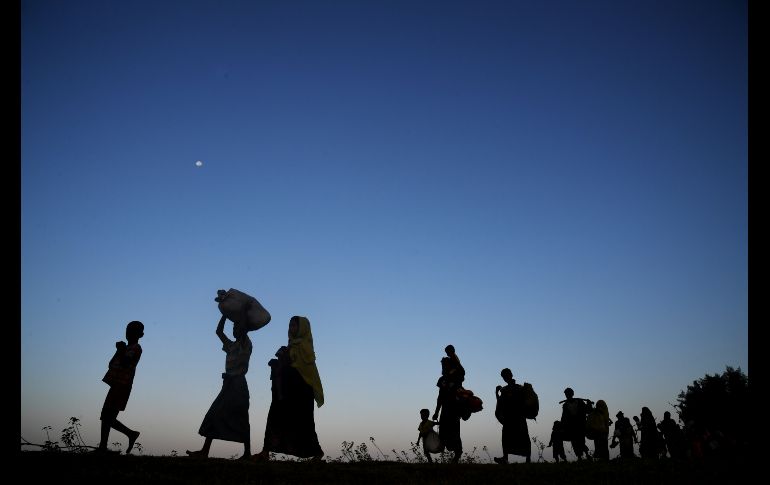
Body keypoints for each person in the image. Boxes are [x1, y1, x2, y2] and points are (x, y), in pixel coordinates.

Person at [253, 316, 324, 461]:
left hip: (302, 392)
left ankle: (317, 453)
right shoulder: (290, 346)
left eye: (294, 325)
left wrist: (285, 361)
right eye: (290, 325)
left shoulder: (305, 347)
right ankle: (265, 451)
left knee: (304, 423)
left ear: (302, 328)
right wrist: (280, 362)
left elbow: (304, 370)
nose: (291, 328)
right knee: (275, 417)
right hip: (286, 391)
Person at [187, 311, 253, 460]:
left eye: (238, 328)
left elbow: (243, 329)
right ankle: (204, 451)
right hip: (228, 385)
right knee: (215, 414)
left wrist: (243, 311)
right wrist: (225, 314)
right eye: (234, 328)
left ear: (244, 330)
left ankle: (247, 453)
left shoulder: (245, 344)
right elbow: (219, 331)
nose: (235, 330)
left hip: (238, 385)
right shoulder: (231, 345)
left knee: (241, 417)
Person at [96, 320, 144, 454]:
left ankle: (105, 446)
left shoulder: (136, 348)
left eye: (133, 331)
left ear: (140, 335)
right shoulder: (125, 349)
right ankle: (127, 435)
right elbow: (111, 364)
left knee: (107, 416)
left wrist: (121, 350)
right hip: (116, 385)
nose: (129, 333)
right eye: (128, 330)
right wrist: (119, 351)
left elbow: (125, 363)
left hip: (122, 386)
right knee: (106, 416)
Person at [493, 368, 531, 464]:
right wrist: (497, 394)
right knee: (507, 437)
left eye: (506, 376)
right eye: (504, 376)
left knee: (522, 436)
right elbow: (501, 403)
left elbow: (522, 401)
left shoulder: (518, 388)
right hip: (510, 417)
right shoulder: (506, 390)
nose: (505, 378)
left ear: (510, 375)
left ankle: (527, 459)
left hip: (517, 416)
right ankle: (505, 458)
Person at [433, 356, 463, 463]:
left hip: (455, 410)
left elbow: (461, 370)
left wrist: (452, 354)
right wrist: (436, 412)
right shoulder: (442, 380)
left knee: (454, 433)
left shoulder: (457, 377)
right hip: (445, 410)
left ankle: (457, 454)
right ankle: (452, 455)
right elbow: (440, 397)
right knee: (443, 433)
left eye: (445, 365)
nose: (443, 367)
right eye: (442, 365)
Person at [560, 388, 590, 460]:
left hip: (580, 424)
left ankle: (587, 454)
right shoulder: (565, 405)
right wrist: (562, 425)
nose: (567, 395)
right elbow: (564, 416)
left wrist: (588, 404)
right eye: (566, 394)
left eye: (568, 393)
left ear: (572, 394)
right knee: (574, 442)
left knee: (581, 441)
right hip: (571, 426)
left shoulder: (580, 402)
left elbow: (587, 410)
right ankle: (579, 457)